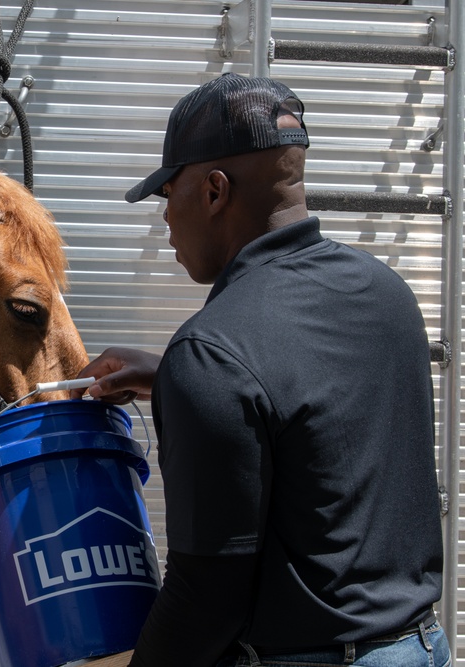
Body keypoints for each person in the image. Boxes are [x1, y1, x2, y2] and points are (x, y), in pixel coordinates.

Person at [72, 73, 450, 666]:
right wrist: (175, 371)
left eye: (168, 192)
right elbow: (316, 410)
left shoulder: (214, 354)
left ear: (214, 191)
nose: (165, 218)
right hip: (420, 646)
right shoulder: (386, 293)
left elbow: (207, 597)